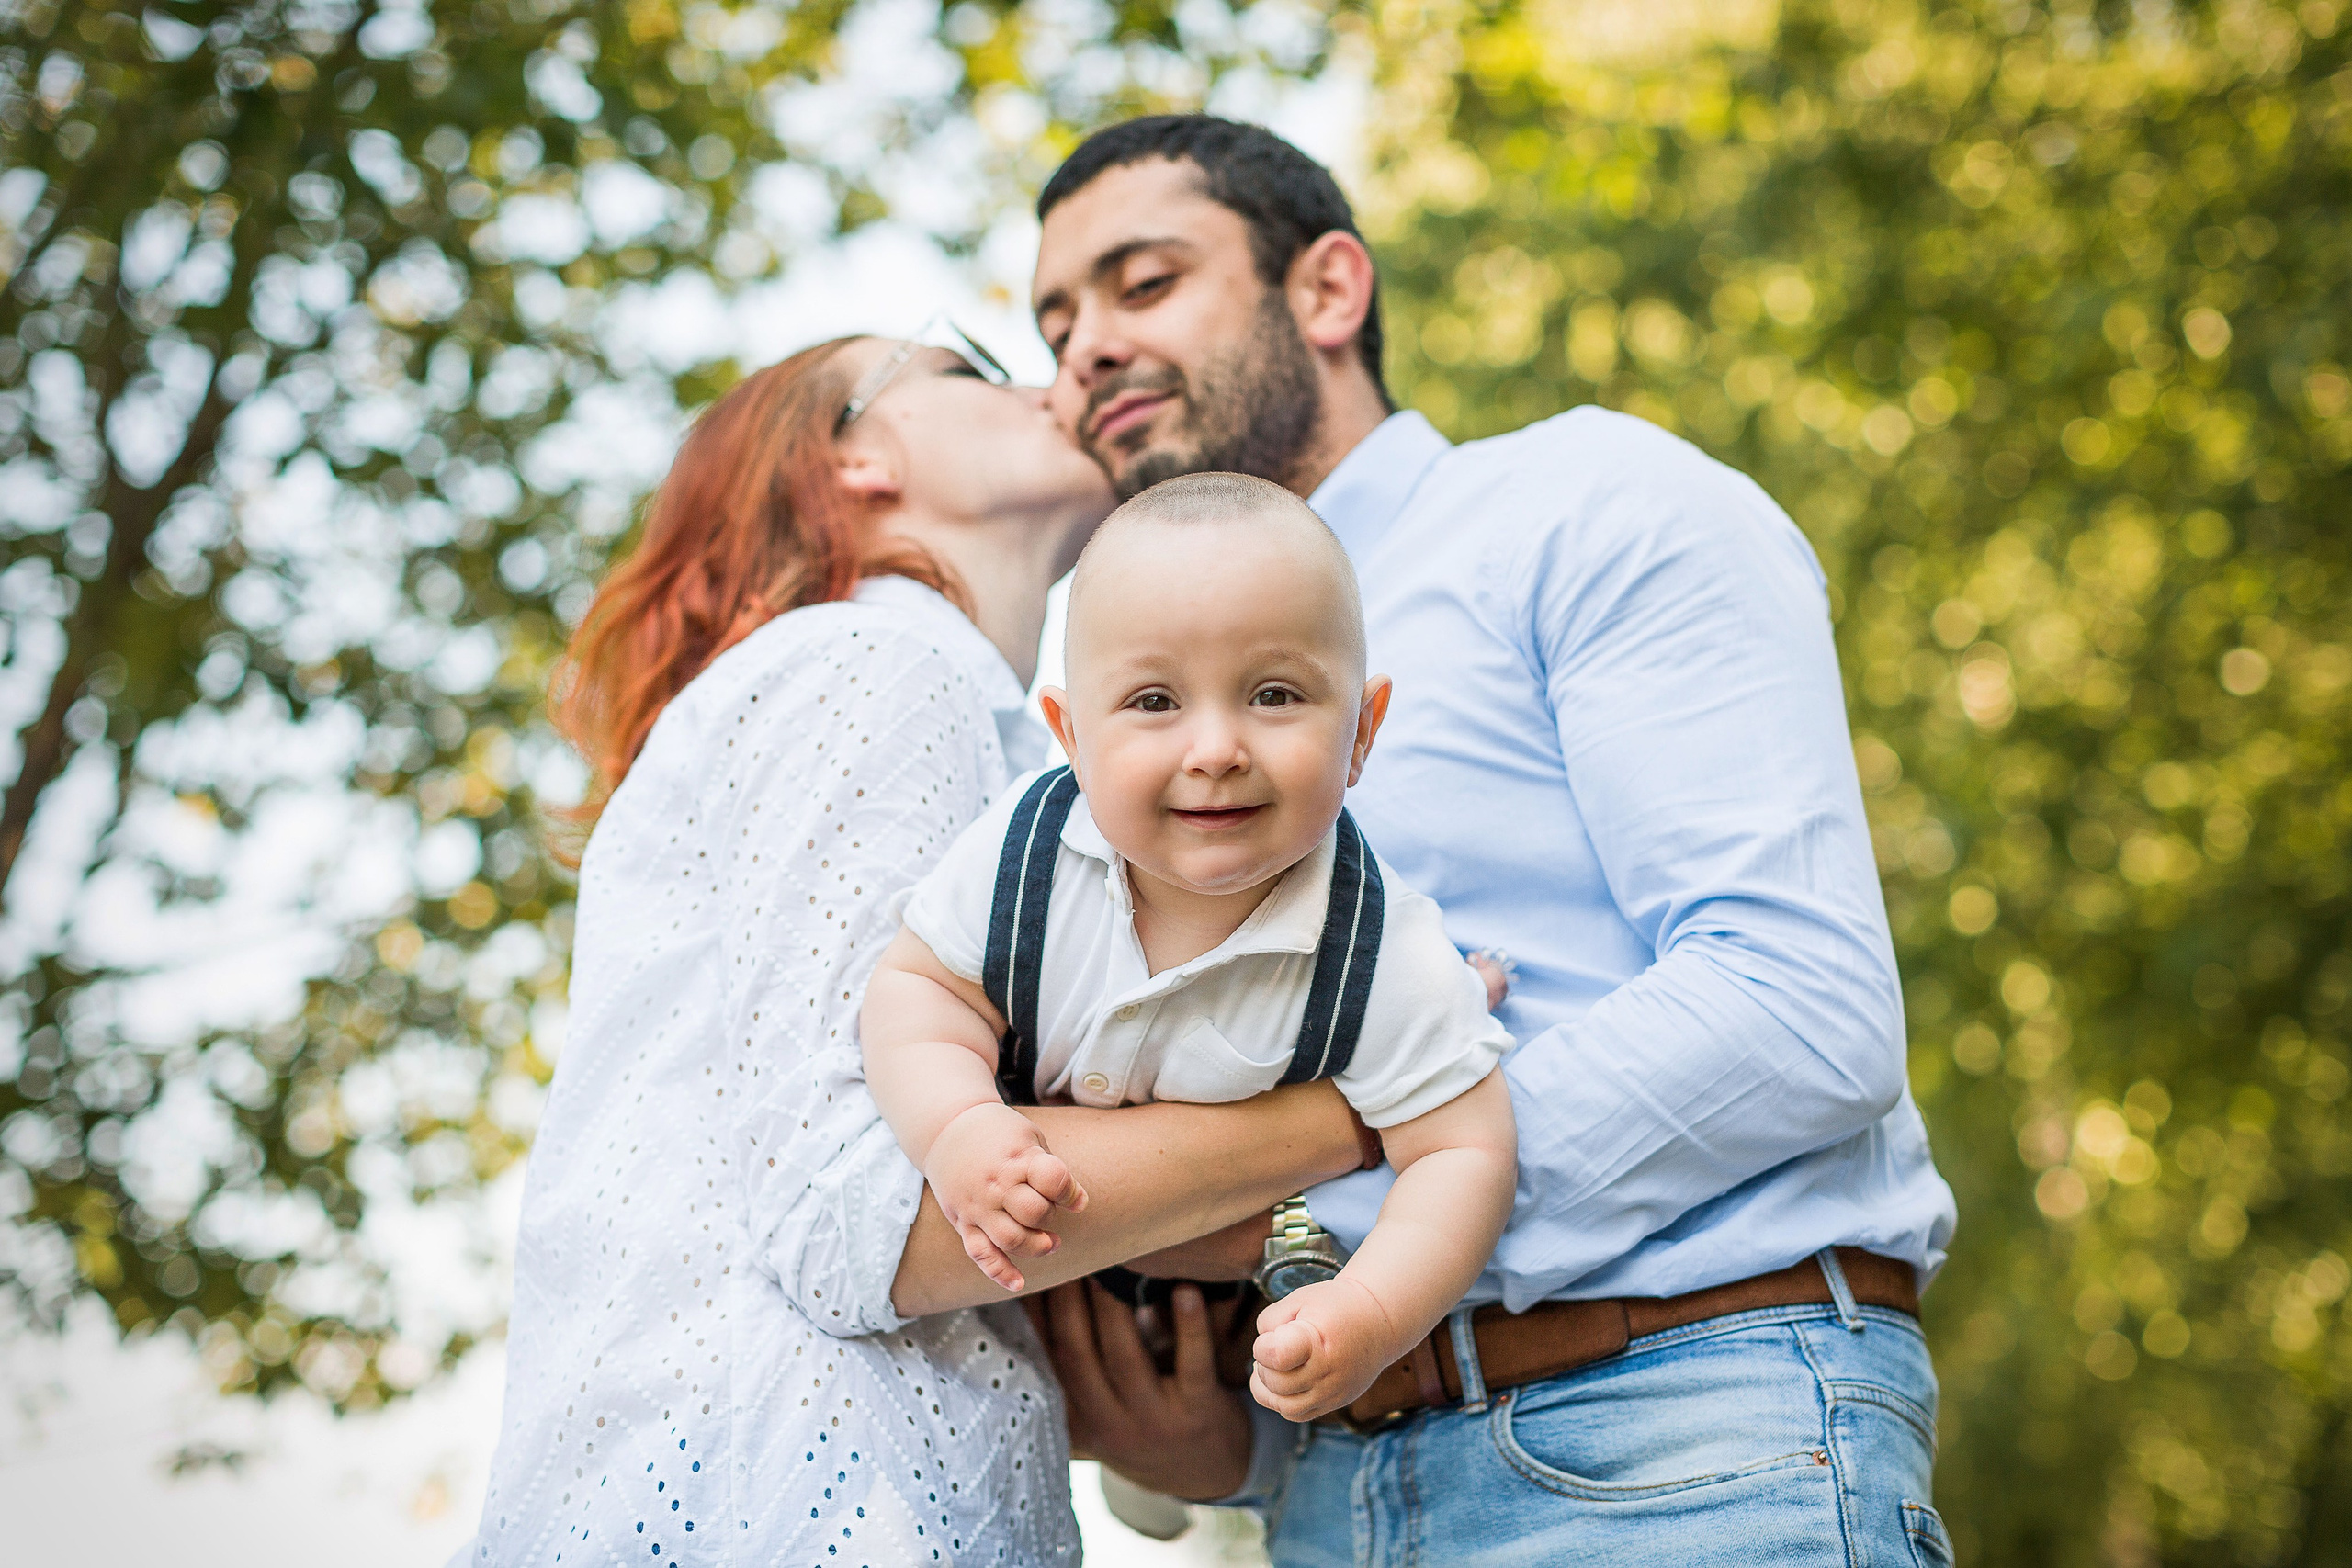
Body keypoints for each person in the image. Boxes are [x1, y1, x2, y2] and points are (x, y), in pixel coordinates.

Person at [1023, 115, 1962, 1565]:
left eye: (1141, 284)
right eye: (1055, 318)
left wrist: (1291, 1213)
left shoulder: (1583, 503)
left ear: (1328, 291)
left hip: (1688, 1439)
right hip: (1332, 1499)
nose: (1084, 348)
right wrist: (1226, 1436)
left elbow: (1802, 1007)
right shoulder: (1112, 740)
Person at [463, 329, 1381, 1565]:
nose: (1059, 385)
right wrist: (1368, 1109)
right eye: (974, 369)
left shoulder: (961, 733)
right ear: (853, 460)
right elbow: (866, 1214)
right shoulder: (874, 663)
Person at [861, 471, 1516, 1423]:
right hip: (1044, 1282)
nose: (1214, 747)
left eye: (1274, 693)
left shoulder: (1382, 953)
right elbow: (918, 995)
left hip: (1236, 1312)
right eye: (1156, 701)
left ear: (1361, 732)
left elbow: (1465, 1153)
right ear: (1071, 734)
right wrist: (957, 1125)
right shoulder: (1021, 855)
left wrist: (1374, 1312)